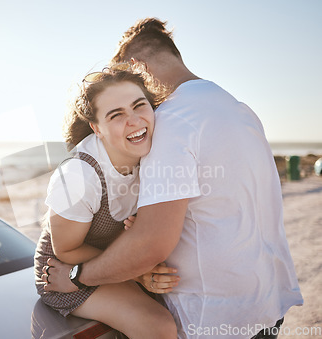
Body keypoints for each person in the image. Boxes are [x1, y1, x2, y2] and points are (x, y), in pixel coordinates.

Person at [43, 18, 303, 338]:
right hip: (264, 303)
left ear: (137, 69)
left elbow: (150, 244)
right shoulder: (238, 108)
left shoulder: (171, 121)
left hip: (213, 314)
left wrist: (79, 274)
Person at [34, 66, 179, 338]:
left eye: (139, 106)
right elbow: (65, 250)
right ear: (96, 128)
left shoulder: (159, 149)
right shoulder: (78, 176)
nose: (134, 121)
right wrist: (136, 272)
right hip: (66, 273)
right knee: (159, 326)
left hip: (119, 259)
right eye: (117, 115)